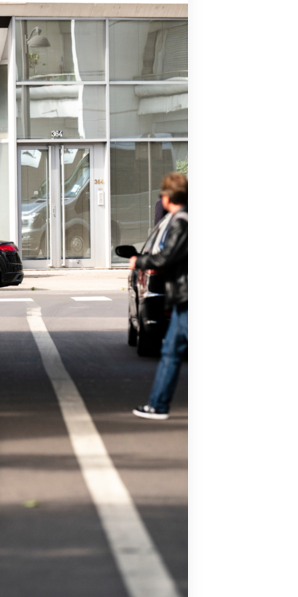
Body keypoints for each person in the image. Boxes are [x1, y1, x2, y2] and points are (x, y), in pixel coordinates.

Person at [131, 173, 188, 419]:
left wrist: (140, 260)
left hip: (186, 298)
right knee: (170, 353)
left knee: (171, 353)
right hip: (182, 298)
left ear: (165, 198)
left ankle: (158, 405)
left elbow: (167, 255)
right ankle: (157, 405)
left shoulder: (180, 221)